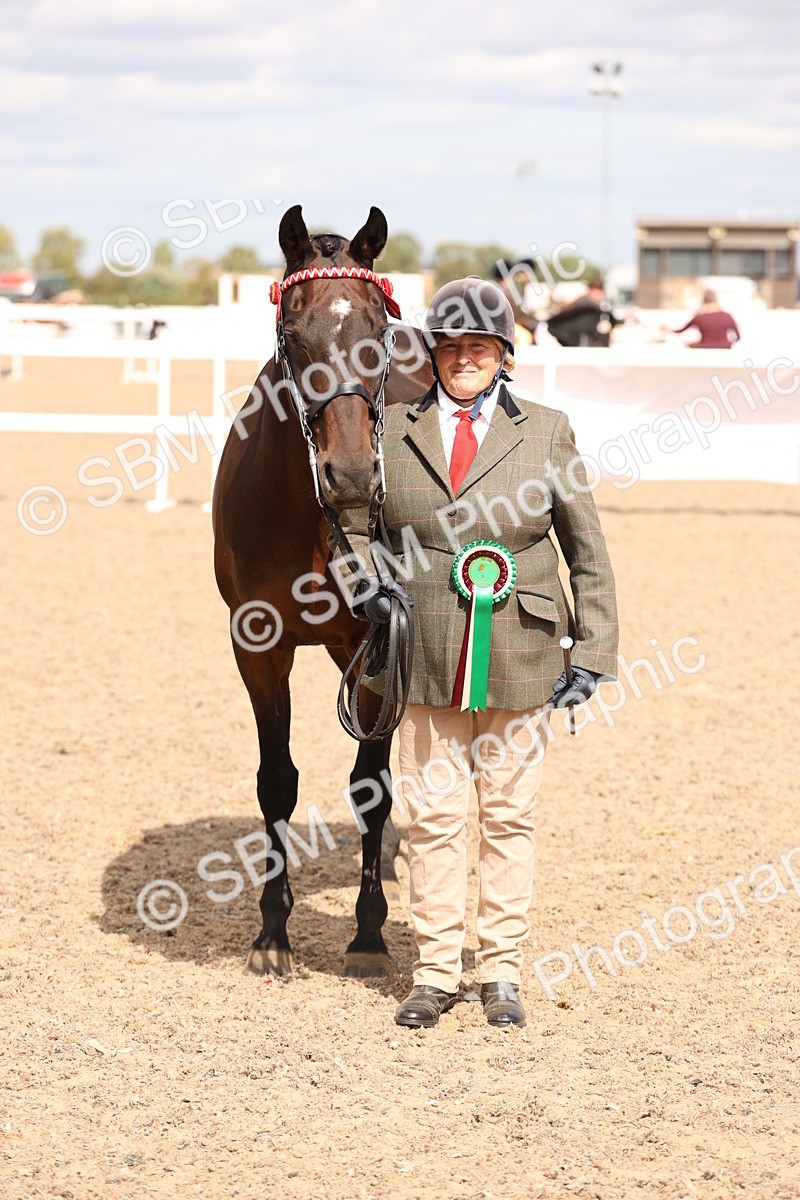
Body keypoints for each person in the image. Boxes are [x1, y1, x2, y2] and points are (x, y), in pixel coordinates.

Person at [336, 278, 619, 1029]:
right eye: (451, 346)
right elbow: (352, 522)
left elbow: (587, 548)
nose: (464, 358)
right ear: (431, 355)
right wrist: (365, 583)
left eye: (479, 347)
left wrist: (592, 647)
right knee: (430, 817)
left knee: (509, 814)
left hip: (521, 648)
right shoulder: (391, 426)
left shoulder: (549, 431)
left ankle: (499, 970)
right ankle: (433, 971)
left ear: (505, 356)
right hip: (424, 650)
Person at [545, 277, 623, 347]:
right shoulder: (586, 306)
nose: (598, 295)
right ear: (591, 290)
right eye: (596, 292)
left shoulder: (597, 308)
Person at [670, 289, 740, 348]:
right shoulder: (727, 316)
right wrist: (726, 344)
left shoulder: (700, 317)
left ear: (704, 302)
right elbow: (737, 337)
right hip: (725, 349)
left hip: (705, 350)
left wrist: (668, 329)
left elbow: (680, 331)